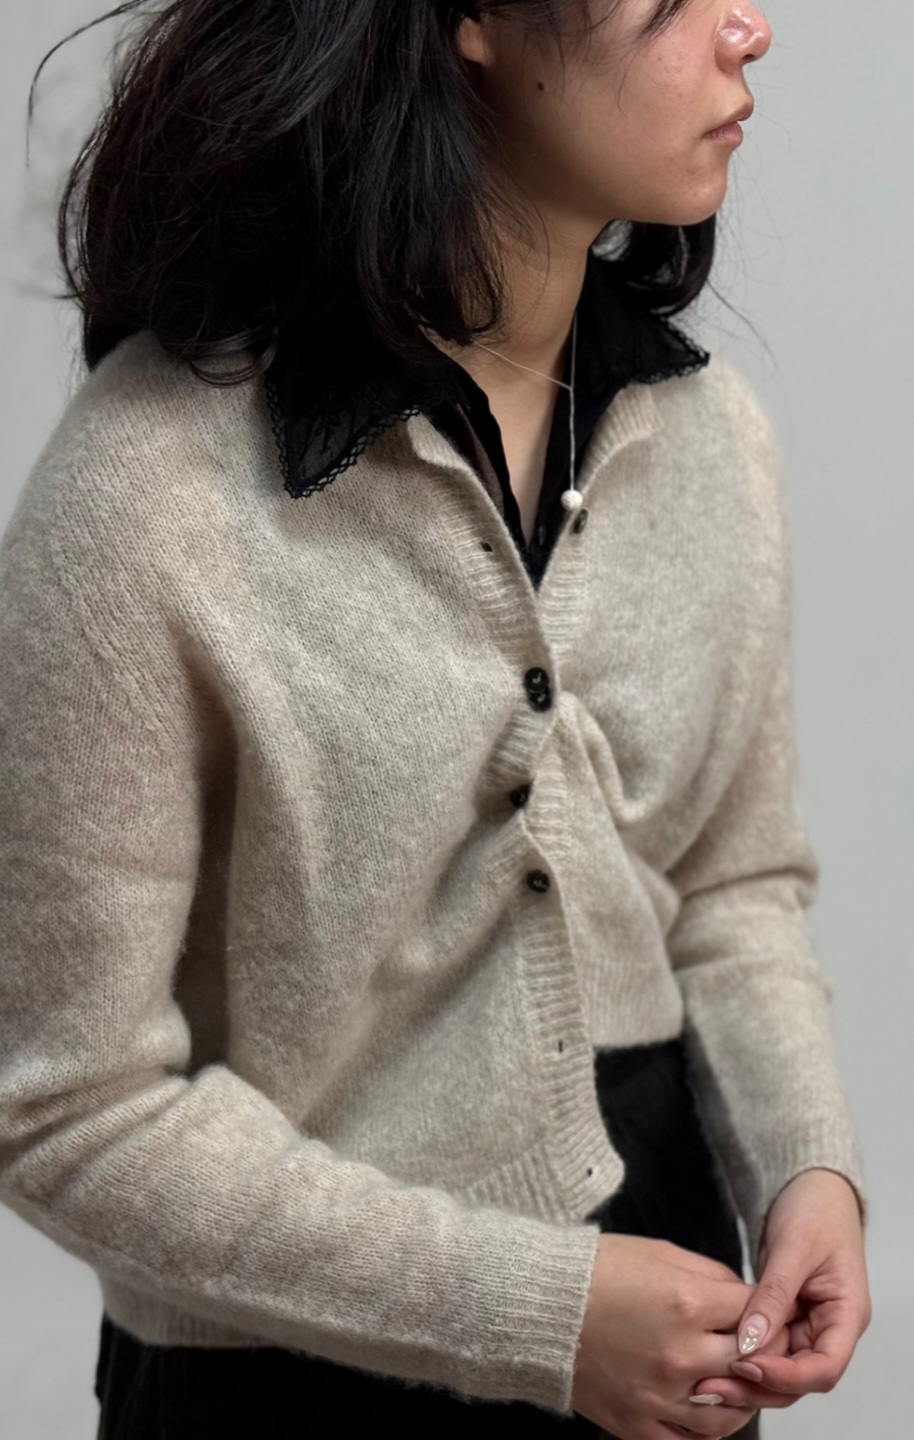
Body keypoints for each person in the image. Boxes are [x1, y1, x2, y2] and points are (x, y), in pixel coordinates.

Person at [0, 2, 871, 1438]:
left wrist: (806, 1168)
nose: (747, 27)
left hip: (671, 1351)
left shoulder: (711, 439)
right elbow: (59, 1105)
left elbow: (728, 887)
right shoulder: (149, 490)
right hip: (286, 1383)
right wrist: (539, 1313)